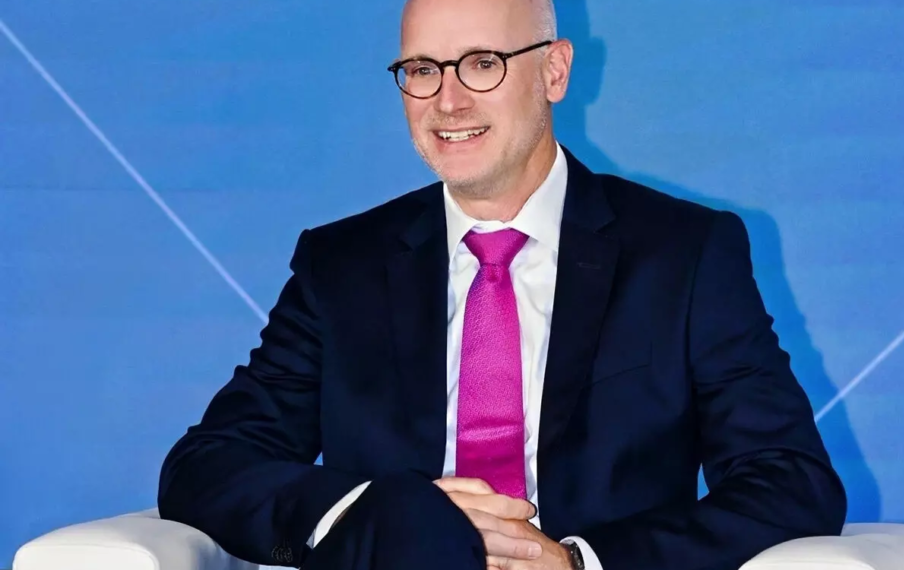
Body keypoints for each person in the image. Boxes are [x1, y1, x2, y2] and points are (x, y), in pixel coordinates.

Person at [156, 0, 847, 569]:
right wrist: (372, 515)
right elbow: (205, 466)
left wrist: (579, 562)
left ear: (554, 71)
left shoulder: (683, 254)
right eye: (422, 70)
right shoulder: (341, 265)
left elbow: (790, 481)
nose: (447, 101)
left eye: (482, 63)